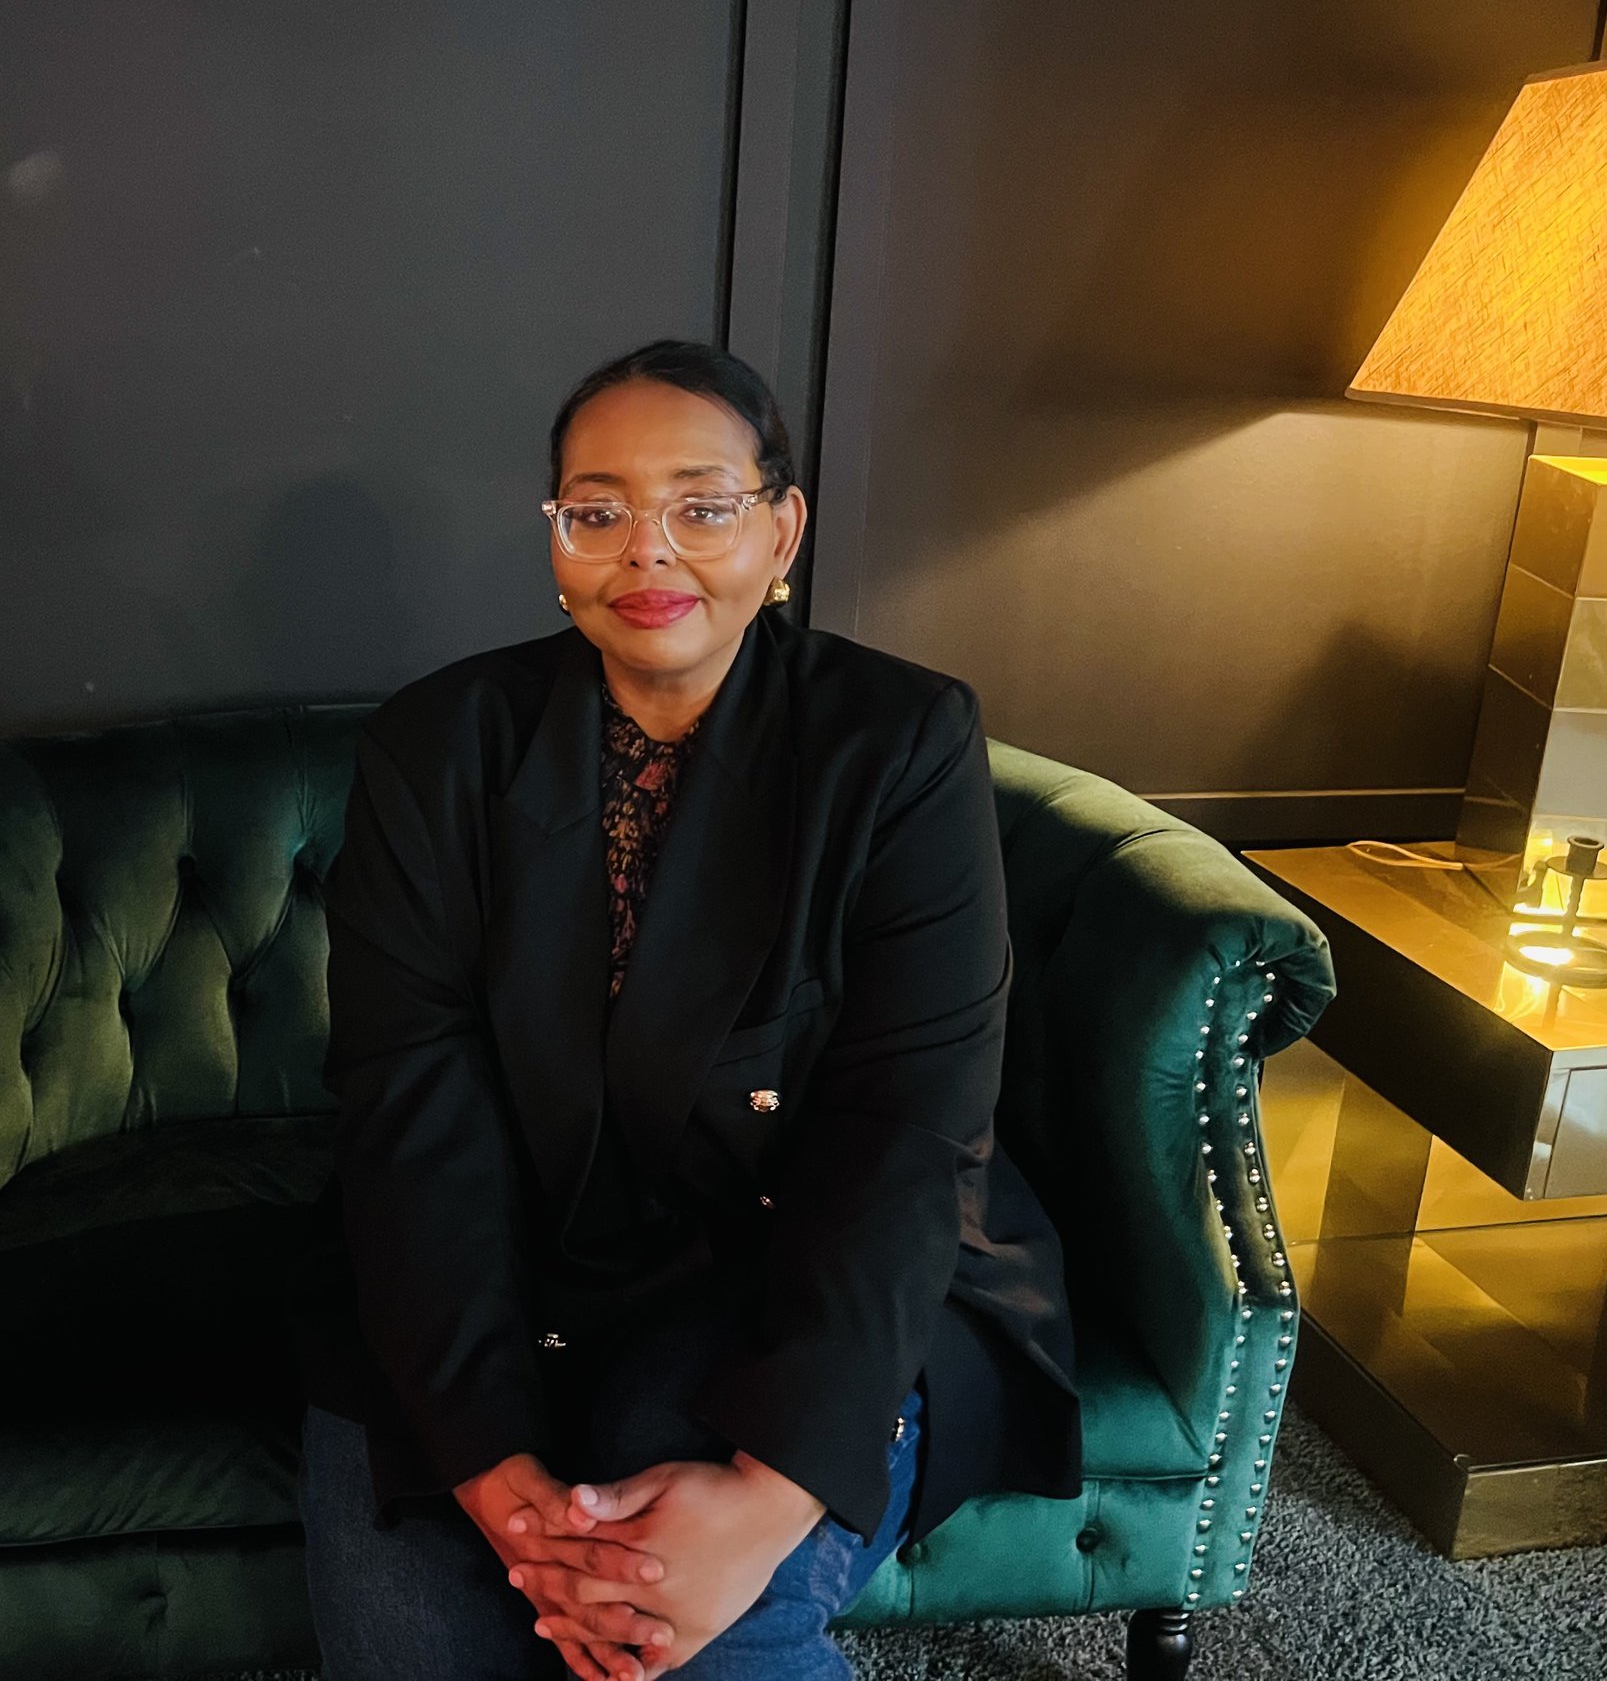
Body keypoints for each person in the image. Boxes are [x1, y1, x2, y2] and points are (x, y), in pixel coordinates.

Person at [296, 341, 1082, 1679]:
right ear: (555, 537)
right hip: (495, 1269)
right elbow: (411, 1116)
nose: (646, 552)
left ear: (783, 532)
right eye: (597, 511)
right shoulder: (438, 746)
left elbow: (903, 1133)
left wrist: (771, 1498)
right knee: (428, 1642)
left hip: (801, 1264)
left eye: (702, 507)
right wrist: (493, 1474)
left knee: (686, 1626)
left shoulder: (896, 743)